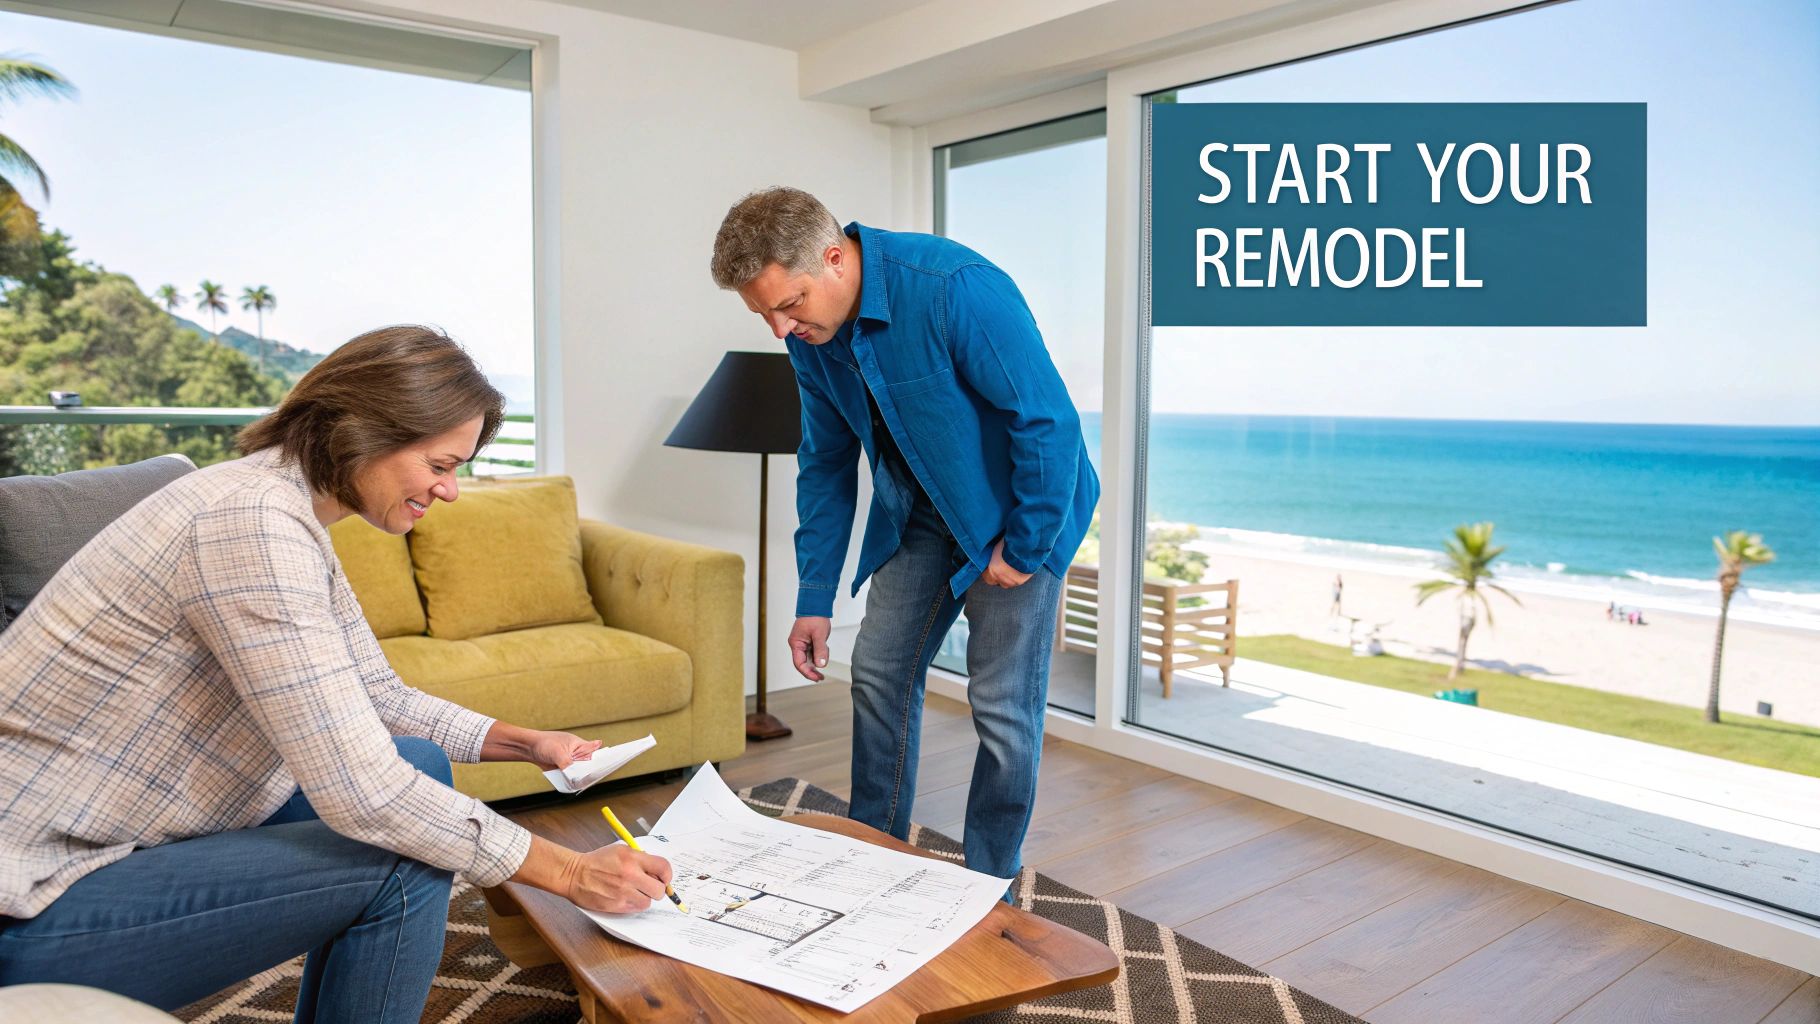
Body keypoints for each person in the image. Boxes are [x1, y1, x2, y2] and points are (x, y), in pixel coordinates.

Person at [0, 326, 672, 1020]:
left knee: (417, 765)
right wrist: (567, 870)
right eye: (440, 464)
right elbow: (365, 797)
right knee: (406, 854)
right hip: (32, 893)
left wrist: (523, 742)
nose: (450, 491)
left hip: (105, 835)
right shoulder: (250, 525)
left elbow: (375, 692)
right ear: (364, 432)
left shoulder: (280, 508)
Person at [710, 188, 1099, 892]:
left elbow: (1047, 423)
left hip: (1016, 513)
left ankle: (990, 883)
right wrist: (815, 597)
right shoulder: (813, 340)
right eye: (762, 312)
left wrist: (1026, 545)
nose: (778, 327)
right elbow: (825, 464)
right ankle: (871, 854)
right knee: (880, 674)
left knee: (1003, 708)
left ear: (834, 259)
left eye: (789, 303)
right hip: (920, 515)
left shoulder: (955, 288)